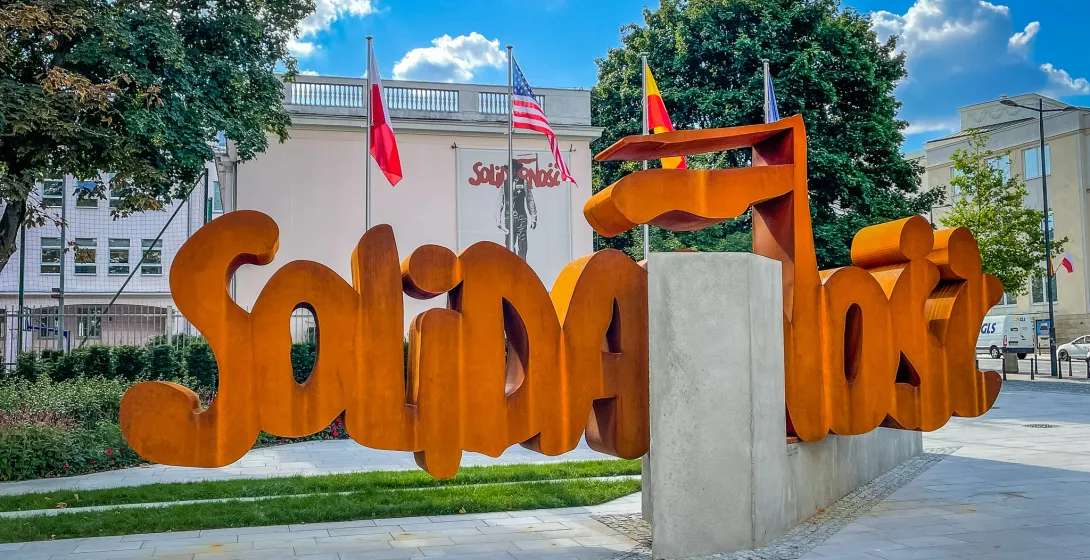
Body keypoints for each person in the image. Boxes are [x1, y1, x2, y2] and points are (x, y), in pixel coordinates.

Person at [497, 158, 537, 259]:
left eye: (514, 169)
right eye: (511, 169)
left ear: (517, 170)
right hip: (509, 217)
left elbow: (530, 200)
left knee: (522, 243)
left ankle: (522, 264)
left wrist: (533, 217)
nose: (513, 171)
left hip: (521, 217)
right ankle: (512, 264)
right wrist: (498, 219)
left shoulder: (523, 183)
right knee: (509, 243)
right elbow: (500, 202)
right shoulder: (504, 184)